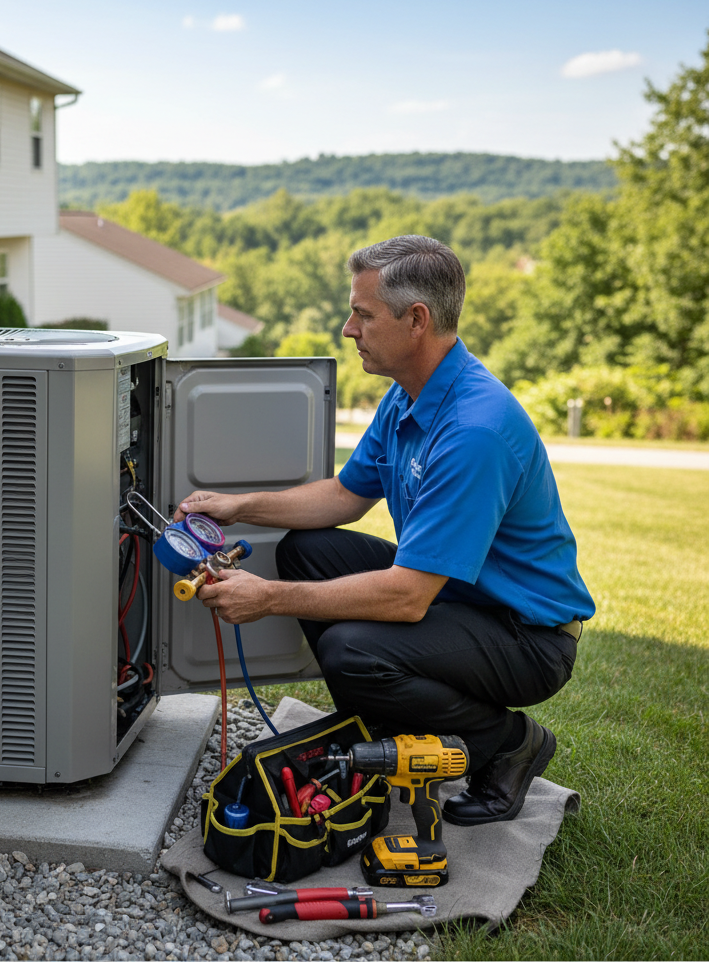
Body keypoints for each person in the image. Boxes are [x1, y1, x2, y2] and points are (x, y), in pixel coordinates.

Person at [173, 234, 594, 826]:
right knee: (310, 551)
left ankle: (508, 742)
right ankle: (384, 724)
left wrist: (267, 598)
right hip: (458, 594)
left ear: (416, 320)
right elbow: (345, 496)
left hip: (526, 635)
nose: (349, 329)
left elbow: (407, 596)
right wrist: (237, 506)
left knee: (351, 651)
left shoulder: (474, 431)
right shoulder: (407, 397)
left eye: (363, 315)